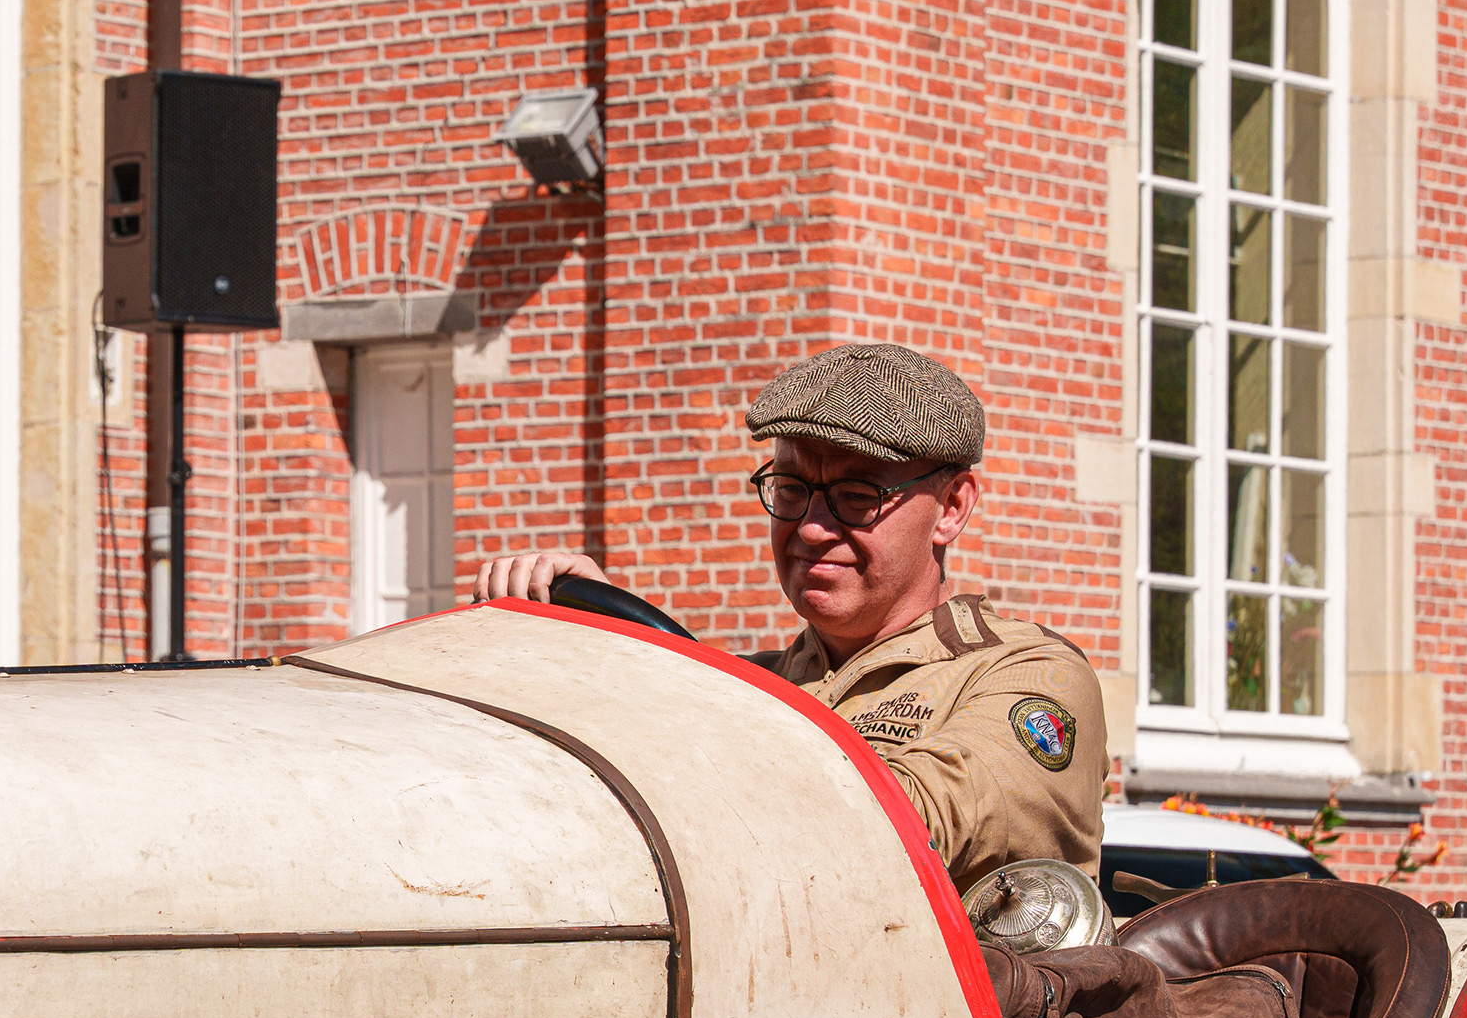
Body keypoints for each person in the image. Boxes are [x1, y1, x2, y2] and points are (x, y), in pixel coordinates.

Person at [474, 341, 1106, 886]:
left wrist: (680, 695)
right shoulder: (744, 686)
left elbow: (905, 824)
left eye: (857, 496)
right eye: (792, 489)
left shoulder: (1028, 675)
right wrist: (598, 656)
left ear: (952, 507)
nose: (810, 528)